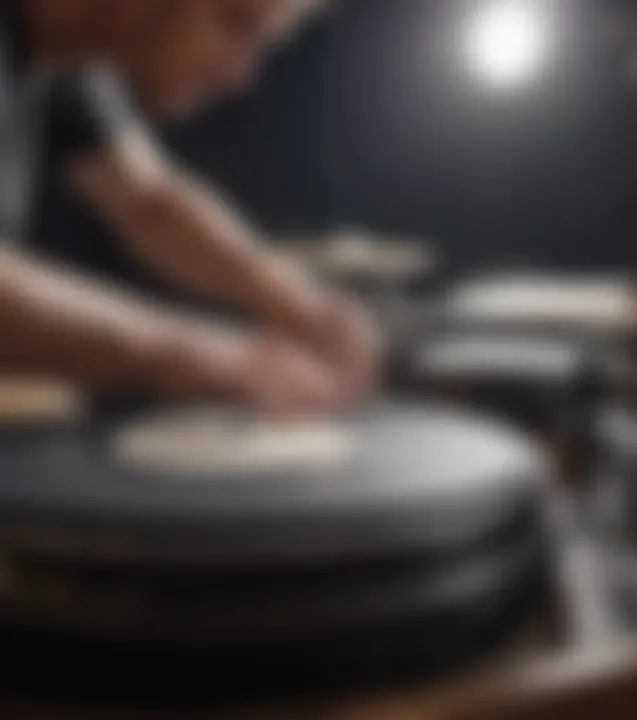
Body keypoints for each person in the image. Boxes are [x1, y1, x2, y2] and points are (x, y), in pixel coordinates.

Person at [0, 0, 381, 416]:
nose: (238, 75)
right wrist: (197, 356)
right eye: (234, 23)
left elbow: (149, 198)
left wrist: (303, 307)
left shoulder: (63, 51)